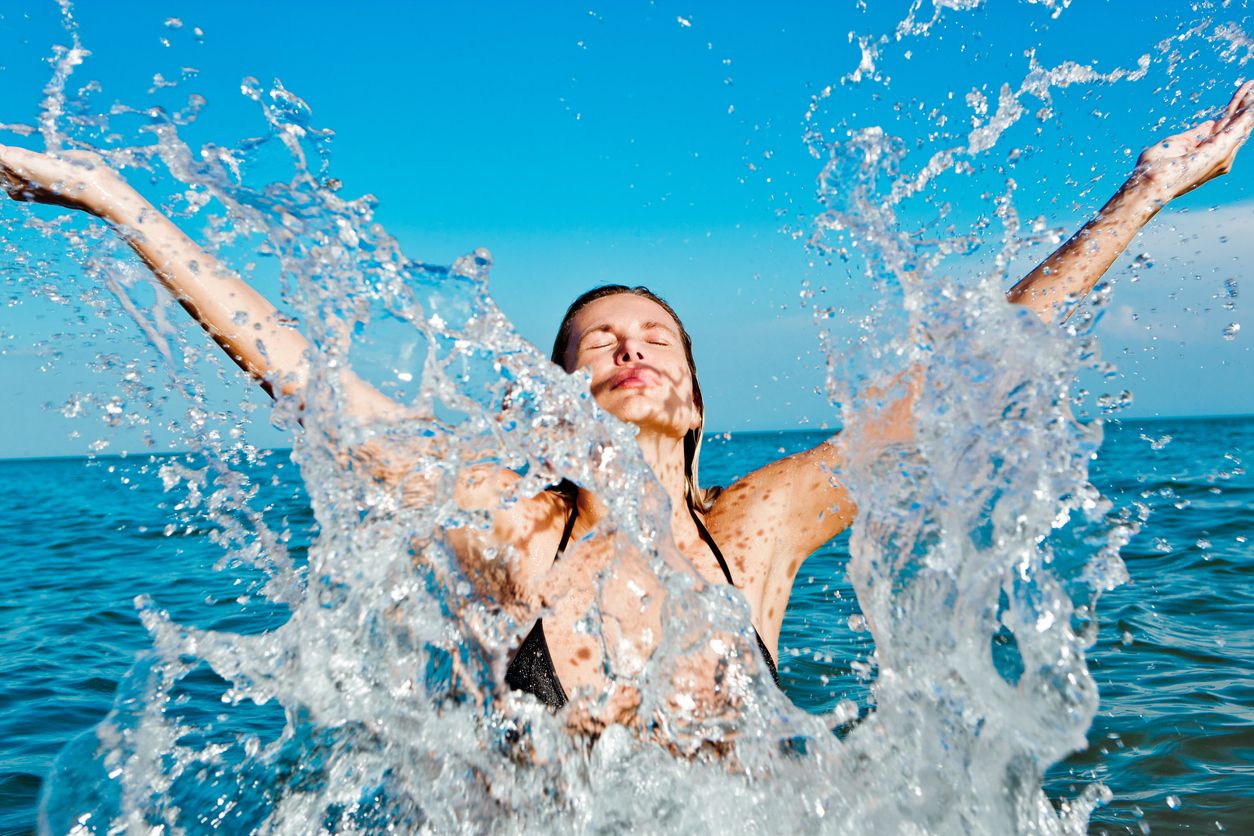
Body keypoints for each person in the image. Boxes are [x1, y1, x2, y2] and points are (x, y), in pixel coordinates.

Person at [1, 81, 1251, 732]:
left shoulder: (754, 528)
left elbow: (969, 374)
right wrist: (122, 203)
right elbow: (306, 373)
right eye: (596, 343)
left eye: (653, 339)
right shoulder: (514, 527)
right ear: (561, 398)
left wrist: (1145, 191)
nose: (626, 350)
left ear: (697, 398)